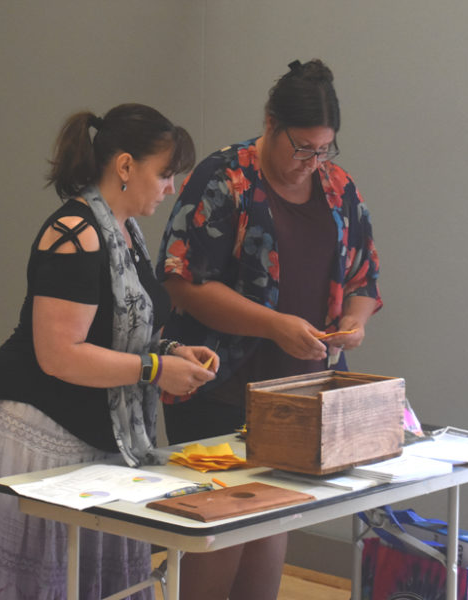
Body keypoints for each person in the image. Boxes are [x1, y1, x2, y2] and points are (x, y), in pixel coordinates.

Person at [0, 103, 218, 600]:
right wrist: (155, 369)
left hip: (94, 430)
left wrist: (173, 351)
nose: (170, 188)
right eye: (164, 173)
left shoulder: (125, 230)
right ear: (124, 166)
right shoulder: (75, 233)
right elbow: (60, 355)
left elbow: (117, 331)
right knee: (44, 582)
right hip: (39, 427)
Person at [155, 59, 382, 600]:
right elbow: (183, 281)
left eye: (323, 148)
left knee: (272, 526)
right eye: (301, 147)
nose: (311, 161)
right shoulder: (224, 177)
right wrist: (272, 325)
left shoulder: (338, 187)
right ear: (270, 122)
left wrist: (354, 321)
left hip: (299, 396)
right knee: (222, 534)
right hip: (220, 386)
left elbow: (364, 280)